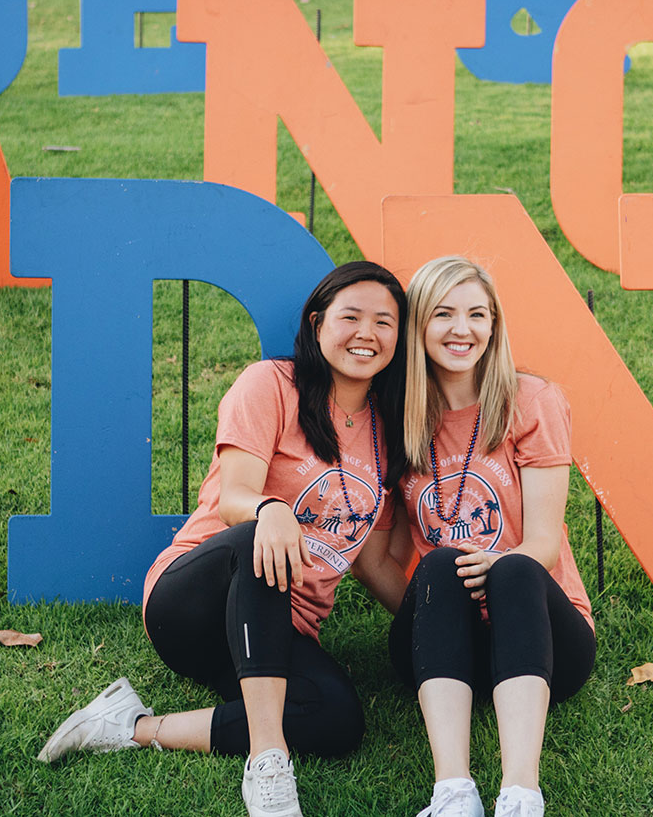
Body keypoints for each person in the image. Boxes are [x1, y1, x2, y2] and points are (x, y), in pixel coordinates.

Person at [37, 261, 412, 817]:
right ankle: (268, 764)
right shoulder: (271, 385)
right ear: (316, 324)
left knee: (338, 718)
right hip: (196, 601)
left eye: (384, 322)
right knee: (254, 538)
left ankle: (128, 725)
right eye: (350, 316)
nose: (367, 334)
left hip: (276, 632)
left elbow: (375, 560)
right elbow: (237, 495)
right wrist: (273, 510)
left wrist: (438, 628)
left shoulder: (390, 429)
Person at [388, 256, 595, 817]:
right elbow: (378, 552)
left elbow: (544, 544)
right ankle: (453, 794)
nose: (464, 329)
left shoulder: (533, 401)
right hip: (448, 649)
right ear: (418, 324)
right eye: (445, 314)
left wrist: (493, 566)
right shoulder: (399, 416)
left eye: (478, 314)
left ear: (495, 325)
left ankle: (521, 795)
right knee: (437, 566)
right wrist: (431, 603)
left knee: (515, 566)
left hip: (542, 637)